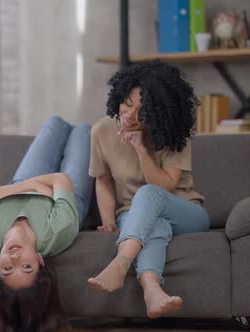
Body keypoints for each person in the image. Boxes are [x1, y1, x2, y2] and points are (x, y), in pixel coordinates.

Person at [87, 60, 210, 319]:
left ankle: (121, 262)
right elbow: (104, 180)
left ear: (158, 114)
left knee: (147, 194)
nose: (129, 115)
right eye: (127, 104)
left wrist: (141, 149)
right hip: (133, 216)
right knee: (156, 227)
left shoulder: (174, 133)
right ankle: (152, 290)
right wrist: (108, 221)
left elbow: (165, 185)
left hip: (185, 211)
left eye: (142, 113)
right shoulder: (102, 131)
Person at [0, 116, 94, 332]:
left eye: (8, 268)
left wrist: (28, 185)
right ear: (40, 260)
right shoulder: (58, 232)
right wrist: (39, 187)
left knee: (54, 124)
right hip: (69, 198)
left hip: (23, 185)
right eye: (26, 266)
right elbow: (61, 180)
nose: (15, 257)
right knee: (85, 131)